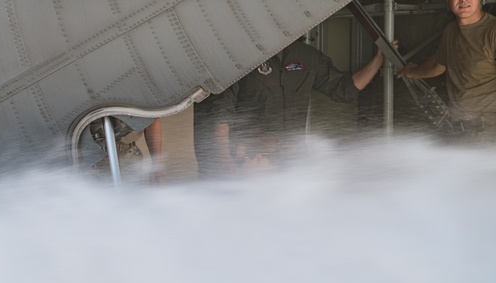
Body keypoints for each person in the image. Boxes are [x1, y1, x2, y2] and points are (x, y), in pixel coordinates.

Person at [196, 38, 387, 175]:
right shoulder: (239, 59)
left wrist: (379, 59)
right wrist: (227, 165)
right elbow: (220, 116)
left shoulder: (307, 57)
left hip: (285, 164)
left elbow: (345, 89)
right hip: (246, 163)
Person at [398, 0, 496, 141]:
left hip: (488, 132)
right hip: (458, 129)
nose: (463, 1)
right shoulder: (451, 31)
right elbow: (438, 65)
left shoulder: (492, 32)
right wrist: (411, 72)